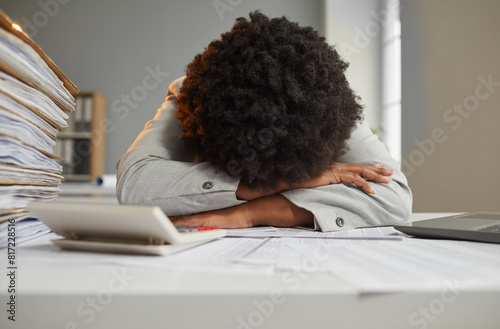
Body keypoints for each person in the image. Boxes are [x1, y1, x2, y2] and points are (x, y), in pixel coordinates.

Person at [116, 11, 412, 231]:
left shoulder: (328, 105)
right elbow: (136, 185)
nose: (278, 183)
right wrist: (285, 182)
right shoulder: (190, 96)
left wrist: (251, 213)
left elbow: (394, 198)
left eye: (290, 176)